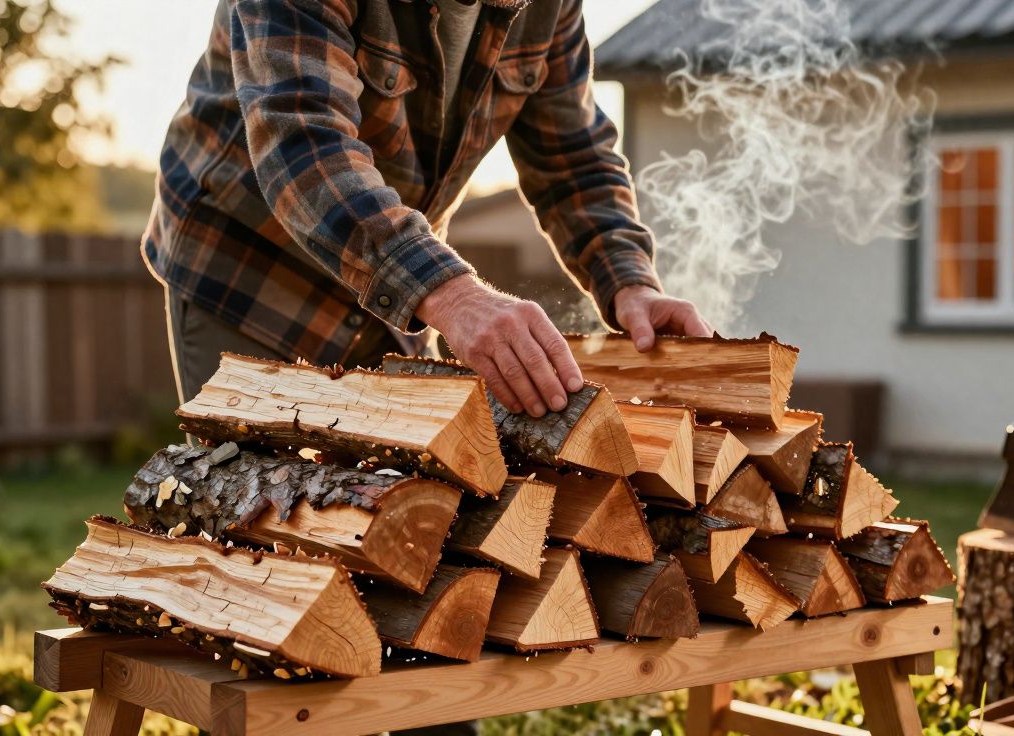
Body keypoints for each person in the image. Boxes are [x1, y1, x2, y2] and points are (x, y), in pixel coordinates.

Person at [142, 0, 711, 421]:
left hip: (398, 283)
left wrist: (629, 281)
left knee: (406, 526)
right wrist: (454, 295)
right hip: (251, 268)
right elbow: (302, 140)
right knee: (261, 528)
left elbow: (574, 158)